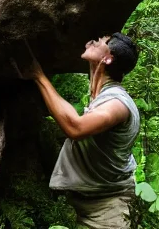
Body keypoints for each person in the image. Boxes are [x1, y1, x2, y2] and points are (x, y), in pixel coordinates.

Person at [21, 33, 140, 229]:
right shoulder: (100, 96)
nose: (92, 41)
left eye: (101, 42)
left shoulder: (117, 104)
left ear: (107, 59)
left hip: (109, 214)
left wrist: (38, 76)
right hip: (91, 209)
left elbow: (75, 127)